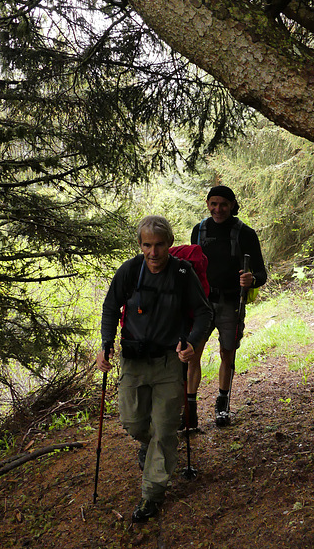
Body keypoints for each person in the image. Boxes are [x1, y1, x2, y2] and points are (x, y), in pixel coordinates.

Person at [97, 215, 212, 523]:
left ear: (169, 245)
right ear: (140, 245)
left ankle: (152, 494)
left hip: (169, 363)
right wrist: (106, 342)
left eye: (159, 245)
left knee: (164, 429)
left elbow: (204, 312)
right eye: (147, 245)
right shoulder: (130, 271)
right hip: (133, 363)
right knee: (133, 423)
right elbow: (110, 307)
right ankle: (149, 448)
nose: (153, 252)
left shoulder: (183, 273)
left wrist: (192, 341)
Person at [184, 185, 267, 429]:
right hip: (202, 304)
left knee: (227, 354)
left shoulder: (246, 234)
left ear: (232, 205)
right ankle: (190, 411)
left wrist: (252, 279)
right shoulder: (199, 231)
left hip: (231, 303)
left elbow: (261, 272)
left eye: (223, 204)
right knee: (192, 355)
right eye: (213, 203)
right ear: (208, 204)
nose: (217, 209)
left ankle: (223, 405)